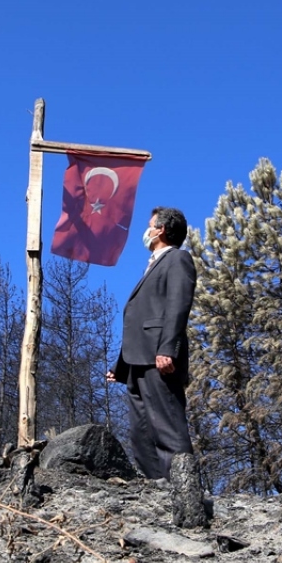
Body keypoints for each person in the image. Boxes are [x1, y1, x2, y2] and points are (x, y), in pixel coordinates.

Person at [106, 206, 196, 480]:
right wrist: (120, 367)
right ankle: (156, 489)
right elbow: (141, 318)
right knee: (141, 432)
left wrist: (167, 349)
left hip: (159, 358)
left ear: (162, 230)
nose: (145, 231)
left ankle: (184, 488)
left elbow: (178, 306)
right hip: (137, 361)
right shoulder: (153, 265)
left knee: (167, 426)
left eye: (150, 225)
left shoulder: (178, 259)